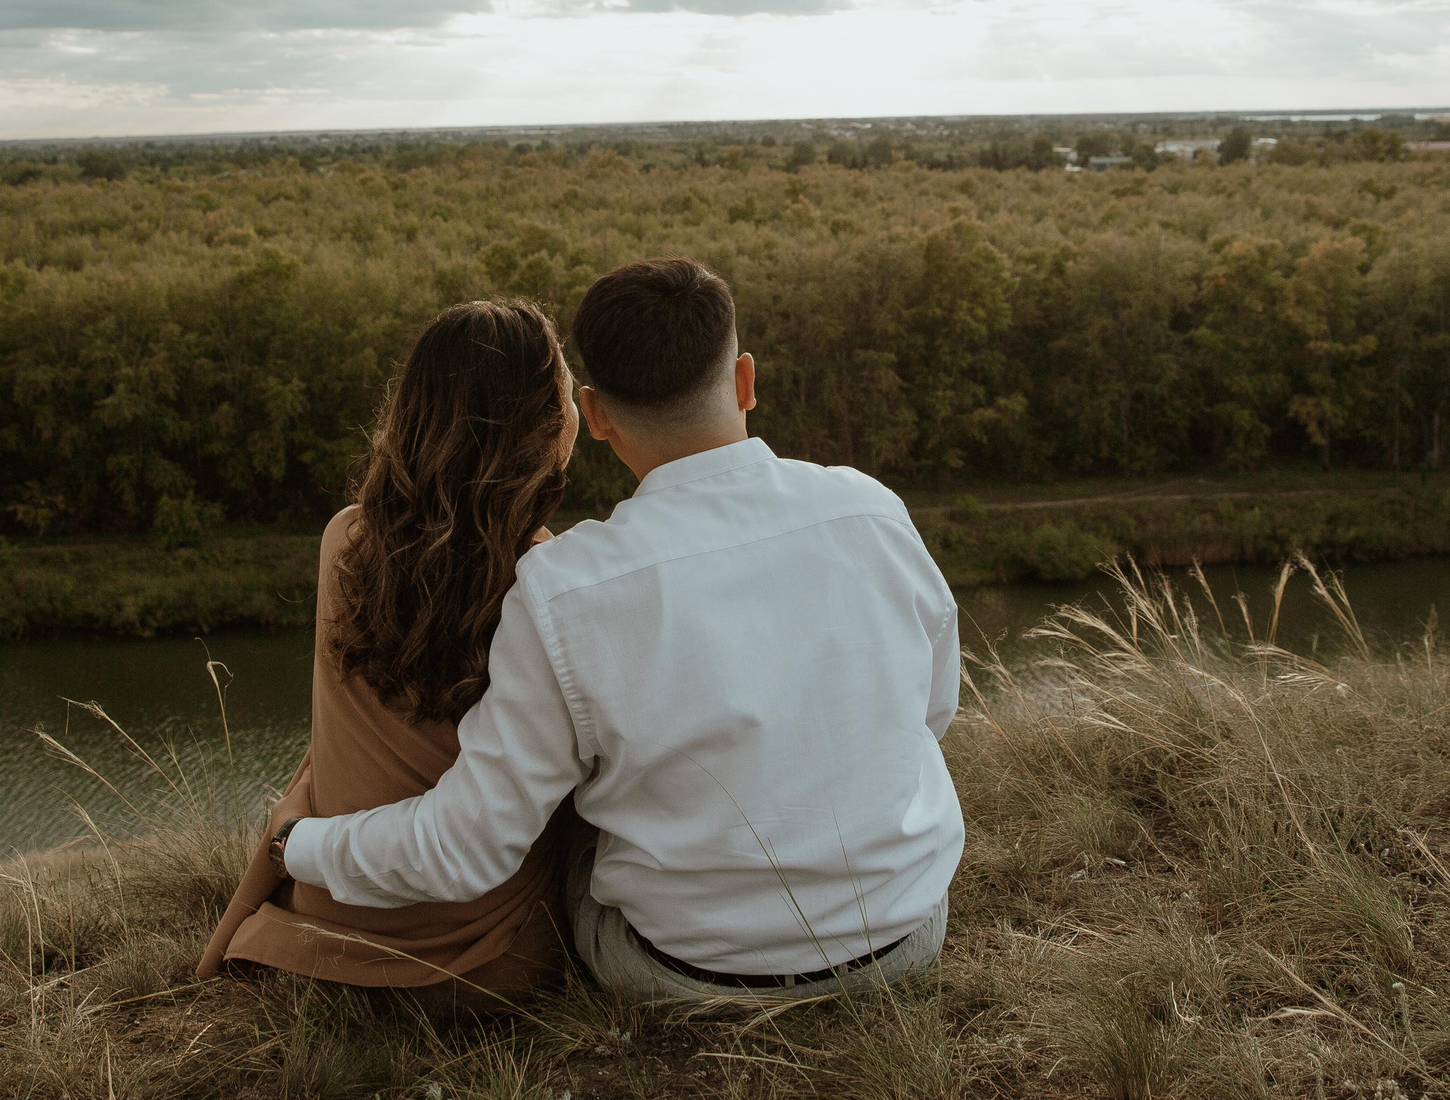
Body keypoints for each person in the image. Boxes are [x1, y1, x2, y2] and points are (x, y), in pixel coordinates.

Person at [275, 258, 963, 1002]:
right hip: (900, 936)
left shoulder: (564, 587)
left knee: (573, 809)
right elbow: (932, 710)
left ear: (596, 415)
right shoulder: (872, 510)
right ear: (745, 381)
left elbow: (465, 847)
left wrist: (297, 842)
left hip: (686, 971)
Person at [197, 300, 581, 1005]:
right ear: (540, 425)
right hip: (482, 957)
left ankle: (289, 857)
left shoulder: (345, 541)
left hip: (331, 927)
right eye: (563, 388)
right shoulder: (542, 576)